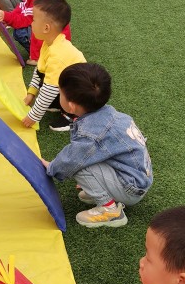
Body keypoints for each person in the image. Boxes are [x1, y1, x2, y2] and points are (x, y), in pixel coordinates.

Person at [43, 63, 152, 229]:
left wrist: (52, 167)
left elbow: (72, 160)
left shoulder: (92, 132)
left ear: (71, 106)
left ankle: (110, 211)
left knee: (78, 164)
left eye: (60, 93)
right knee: (87, 156)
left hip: (131, 188)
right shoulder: (111, 114)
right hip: (139, 178)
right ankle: (105, 189)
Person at [23, 0, 85, 132]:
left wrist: (33, 116)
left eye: (33, 20)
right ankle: (58, 103)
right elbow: (39, 71)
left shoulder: (57, 55)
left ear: (46, 28)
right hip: (65, 84)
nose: (31, 23)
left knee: (52, 88)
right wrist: (31, 93)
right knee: (47, 78)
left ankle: (72, 116)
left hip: (82, 93)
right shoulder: (49, 44)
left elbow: (49, 90)